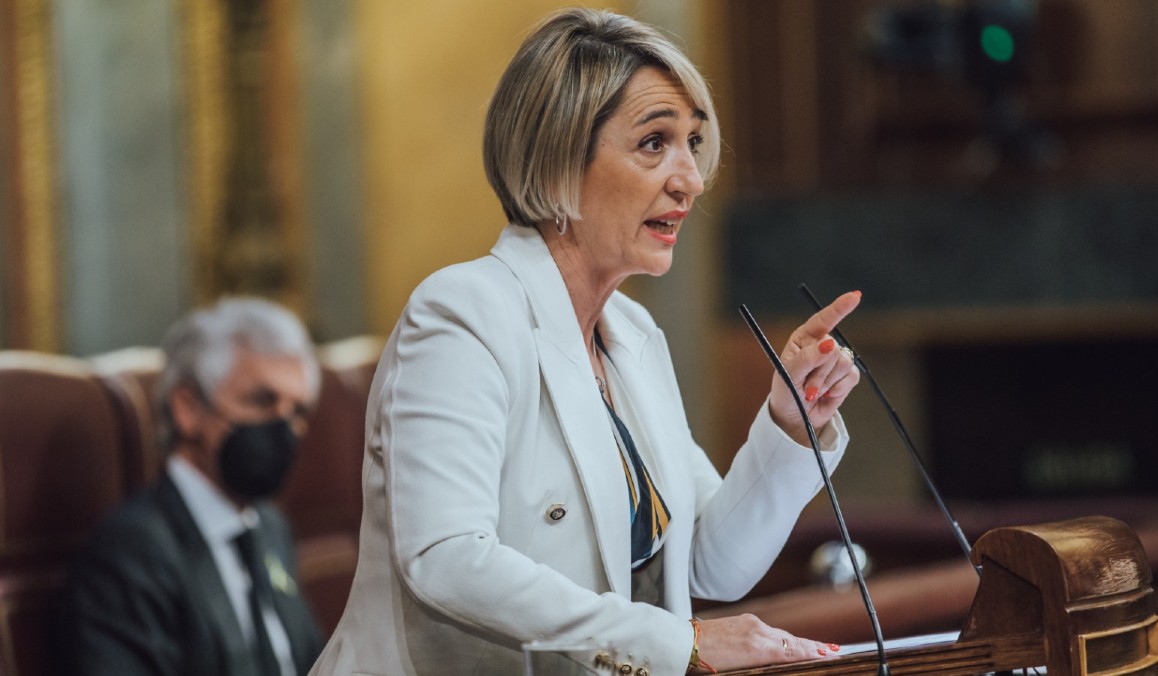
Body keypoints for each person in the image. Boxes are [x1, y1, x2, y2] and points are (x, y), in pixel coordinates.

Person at [312, 8, 861, 676]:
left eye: (692, 142)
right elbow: (446, 556)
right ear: (559, 162)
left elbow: (709, 563)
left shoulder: (632, 332)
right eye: (654, 143)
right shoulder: (462, 314)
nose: (690, 178)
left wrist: (790, 420)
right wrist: (672, 645)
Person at [55, 298, 326, 676]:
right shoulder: (132, 552)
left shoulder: (270, 527)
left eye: (297, 412)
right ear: (188, 408)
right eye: (262, 401)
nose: (285, 429)